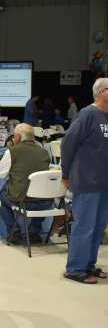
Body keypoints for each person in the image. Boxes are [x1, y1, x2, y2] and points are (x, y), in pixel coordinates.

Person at [61, 78, 108, 284]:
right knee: (85, 225)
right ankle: (75, 269)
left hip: (104, 182)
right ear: (101, 92)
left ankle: (88, 265)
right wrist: (65, 173)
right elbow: (67, 144)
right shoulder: (88, 114)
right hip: (87, 180)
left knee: (98, 227)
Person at [0, 123, 51, 241]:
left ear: (18, 137)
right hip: (45, 202)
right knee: (38, 194)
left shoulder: (12, 151)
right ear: (33, 137)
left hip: (23, 201)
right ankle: (34, 231)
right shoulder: (44, 152)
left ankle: (14, 231)